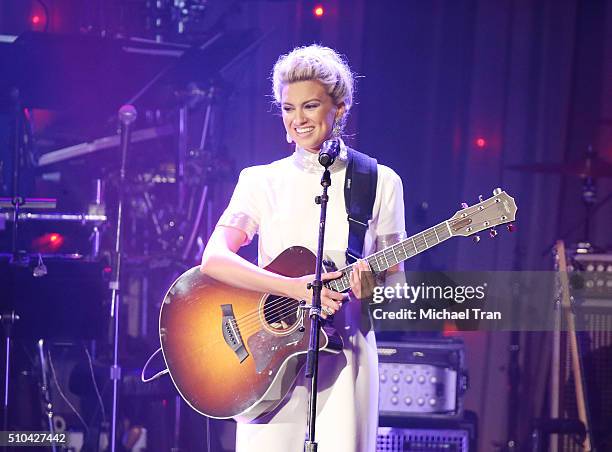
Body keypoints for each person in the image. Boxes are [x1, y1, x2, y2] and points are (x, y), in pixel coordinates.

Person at [200, 44, 406, 452]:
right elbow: (214, 260)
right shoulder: (260, 181)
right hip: (265, 357)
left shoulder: (380, 182)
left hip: (345, 359)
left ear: (340, 107)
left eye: (309, 106)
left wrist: (373, 289)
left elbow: (397, 285)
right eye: (288, 108)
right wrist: (296, 289)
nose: (298, 120)